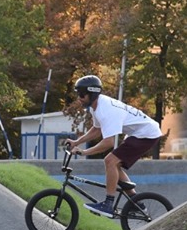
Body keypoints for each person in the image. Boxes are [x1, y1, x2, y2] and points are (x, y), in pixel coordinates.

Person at [64, 75, 163, 217]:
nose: (79, 98)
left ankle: (108, 204)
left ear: (92, 94)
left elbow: (108, 143)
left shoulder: (106, 110)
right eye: (77, 94)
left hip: (146, 134)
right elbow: (96, 129)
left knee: (110, 160)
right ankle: (137, 203)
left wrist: (84, 152)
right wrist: (77, 142)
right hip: (138, 133)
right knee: (114, 164)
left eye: (81, 95)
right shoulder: (95, 106)